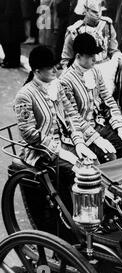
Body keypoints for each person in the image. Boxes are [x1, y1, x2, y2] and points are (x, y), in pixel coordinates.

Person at [14, 46, 97, 215]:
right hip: (40, 152)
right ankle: (72, 215)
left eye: (55, 65)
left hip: (65, 144)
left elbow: (70, 116)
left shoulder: (56, 85)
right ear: (37, 71)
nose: (55, 70)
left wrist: (79, 143)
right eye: (50, 67)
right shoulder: (25, 94)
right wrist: (59, 150)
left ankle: (94, 212)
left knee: (94, 164)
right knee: (79, 172)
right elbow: (29, 133)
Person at [60, 33, 122, 163]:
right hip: (81, 132)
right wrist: (97, 138)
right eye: (90, 56)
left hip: (100, 124)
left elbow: (108, 99)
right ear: (78, 57)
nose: (95, 59)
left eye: (95, 55)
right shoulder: (66, 80)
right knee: (109, 156)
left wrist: (119, 126)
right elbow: (73, 117)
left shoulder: (95, 71)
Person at [61, 0, 122, 94]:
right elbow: (66, 59)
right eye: (94, 11)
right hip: (84, 71)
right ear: (86, 10)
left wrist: (117, 56)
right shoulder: (75, 30)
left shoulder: (108, 25)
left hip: (106, 69)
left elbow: (113, 49)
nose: (98, 14)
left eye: (100, 11)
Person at [0, 0, 25, 68]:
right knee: (6, 41)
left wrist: (3, 16)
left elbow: (9, 9)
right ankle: (8, 59)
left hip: (10, 21)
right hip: (7, 20)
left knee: (10, 42)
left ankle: (12, 62)